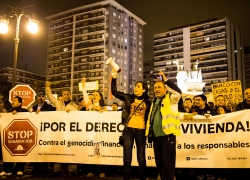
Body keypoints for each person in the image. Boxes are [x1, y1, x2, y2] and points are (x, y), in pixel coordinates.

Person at [110, 69, 151, 180]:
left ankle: (142, 178)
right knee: (127, 158)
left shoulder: (149, 102)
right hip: (128, 130)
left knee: (141, 158)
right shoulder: (128, 98)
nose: (135, 88)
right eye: (135, 86)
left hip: (141, 131)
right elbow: (115, 92)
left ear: (144, 90)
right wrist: (114, 78)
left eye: (138, 86)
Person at [145, 71, 181, 180]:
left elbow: (178, 93)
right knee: (160, 164)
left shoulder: (170, 99)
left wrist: (166, 81)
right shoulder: (153, 102)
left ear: (165, 89)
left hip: (167, 136)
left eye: (159, 87)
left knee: (167, 164)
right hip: (156, 137)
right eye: (155, 87)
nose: (156, 89)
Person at [45, 81, 79, 176]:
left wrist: (71, 113)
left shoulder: (75, 106)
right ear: (62, 96)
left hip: (70, 132)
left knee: (71, 150)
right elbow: (50, 97)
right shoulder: (58, 103)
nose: (66, 95)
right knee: (58, 149)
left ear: (70, 95)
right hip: (59, 131)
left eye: (67, 94)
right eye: (64, 94)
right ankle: (57, 169)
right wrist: (48, 88)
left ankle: (72, 170)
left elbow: (78, 117)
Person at [81, 78, 108, 178]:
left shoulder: (104, 108)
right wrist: (83, 85)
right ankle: (91, 170)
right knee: (90, 151)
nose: (95, 96)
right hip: (91, 133)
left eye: (97, 95)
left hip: (100, 134)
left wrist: (103, 113)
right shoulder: (89, 105)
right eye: (94, 95)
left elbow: (108, 119)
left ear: (100, 97)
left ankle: (102, 171)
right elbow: (84, 94)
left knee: (101, 151)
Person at [2, 96, 28, 176]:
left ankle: (19, 168)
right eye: (12, 100)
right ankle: (7, 169)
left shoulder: (24, 111)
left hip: (21, 135)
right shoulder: (9, 112)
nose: (13, 101)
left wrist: (16, 112)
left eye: (15, 100)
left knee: (20, 151)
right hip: (11, 135)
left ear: (20, 103)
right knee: (8, 151)